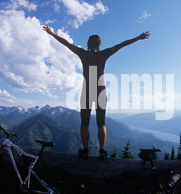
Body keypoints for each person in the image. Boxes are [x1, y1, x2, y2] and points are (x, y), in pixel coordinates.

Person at [43, 25, 150, 159]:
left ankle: (86, 150)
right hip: (101, 89)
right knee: (101, 123)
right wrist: (138, 38)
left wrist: (52, 33)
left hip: (87, 90)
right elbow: (122, 44)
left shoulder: (83, 53)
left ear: (88, 44)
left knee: (84, 123)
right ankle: (102, 151)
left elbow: (66, 43)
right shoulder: (104, 54)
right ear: (99, 44)